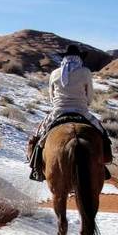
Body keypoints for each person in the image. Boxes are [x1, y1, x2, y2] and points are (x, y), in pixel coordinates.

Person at [29, 44, 112, 181]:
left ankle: (36, 168)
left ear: (64, 59)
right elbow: (89, 95)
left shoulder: (55, 73)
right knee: (102, 134)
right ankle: (102, 165)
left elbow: (51, 96)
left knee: (38, 137)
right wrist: (85, 103)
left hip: (58, 112)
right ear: (79, 58)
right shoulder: (85, 72)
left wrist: (59, 104)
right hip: (82, 111)